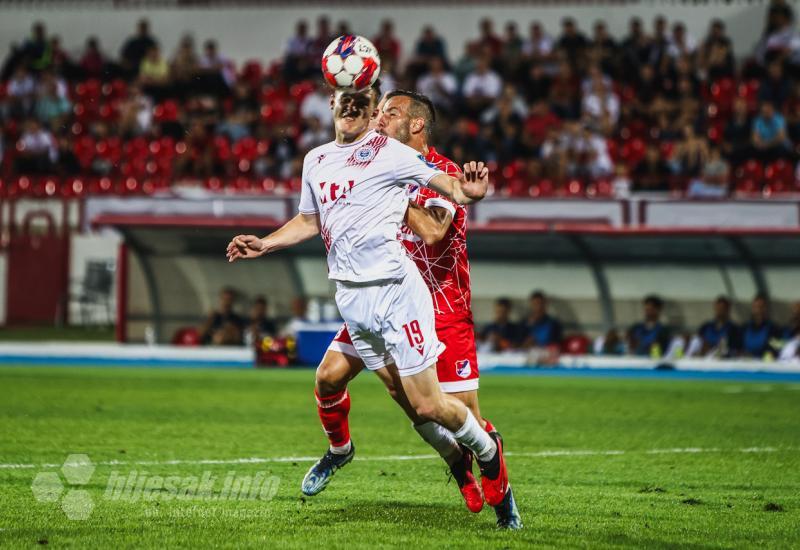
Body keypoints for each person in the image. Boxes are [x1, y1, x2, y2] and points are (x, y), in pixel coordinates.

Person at [226, 83, 515, 527]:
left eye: (389, 111)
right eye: (375, 110)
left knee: (452, 410)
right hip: (365, 296)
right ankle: (386, 458)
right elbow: (313, 218)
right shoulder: (346, 157)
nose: (378, 117)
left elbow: (435, 231)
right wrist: (265, 243)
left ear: (416, 123)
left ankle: (503, 501)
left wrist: (390, 192)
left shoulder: (428, 166)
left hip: (436, 302)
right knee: (340, 380)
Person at [741, 293, 783, 359]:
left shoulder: (774, 329)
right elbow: (738, 348)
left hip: (765, 364)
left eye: (762, 307)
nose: (759, 310)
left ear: (766, 309)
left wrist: (765, 356)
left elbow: (777, 348)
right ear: (752, 308)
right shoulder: (744, 328)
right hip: (745, 363)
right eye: (756, 307)